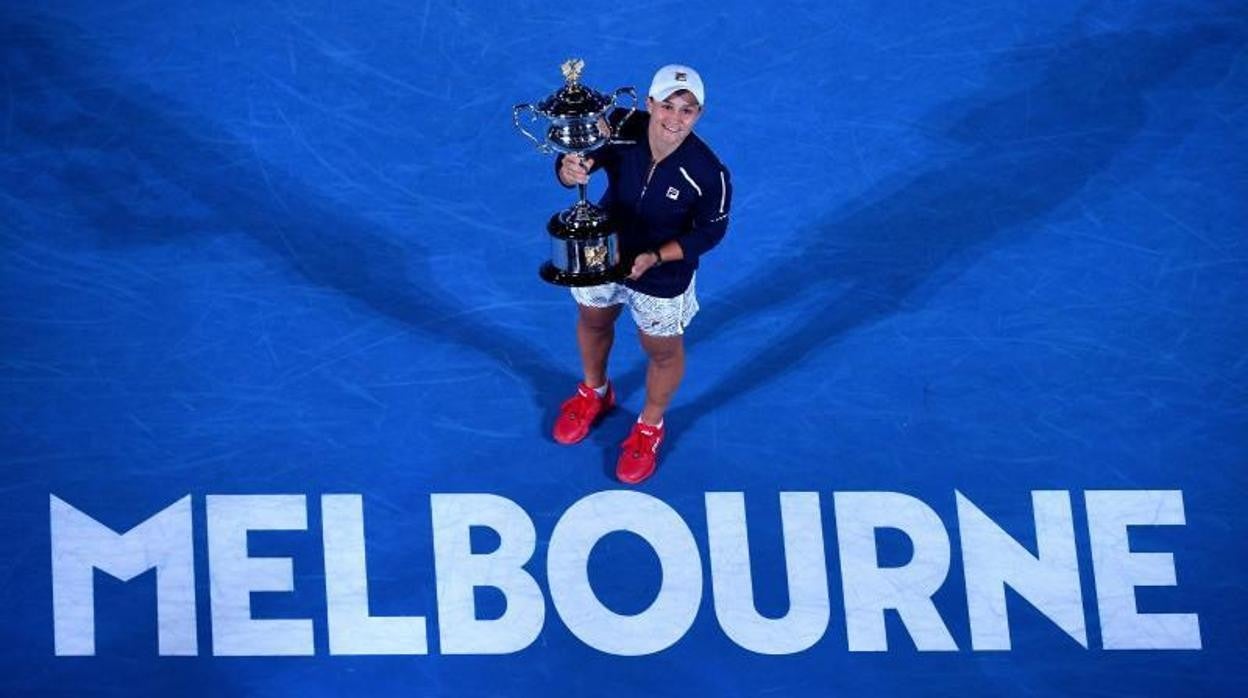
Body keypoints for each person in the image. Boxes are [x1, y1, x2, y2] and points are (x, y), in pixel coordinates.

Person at [551, 64, 732, 485]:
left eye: (687, 110)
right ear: (649, 103)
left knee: (662, 351)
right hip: (604, 251)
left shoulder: (709, 173)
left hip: (662, 274)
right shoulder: (620, 126)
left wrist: (656, 256)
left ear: (699, 114)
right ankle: (595, 392)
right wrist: (568, 170)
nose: (674, 118)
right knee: (594, 320)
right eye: (667, 105)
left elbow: (711, 231)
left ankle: (650, 426)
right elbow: (578, 159)